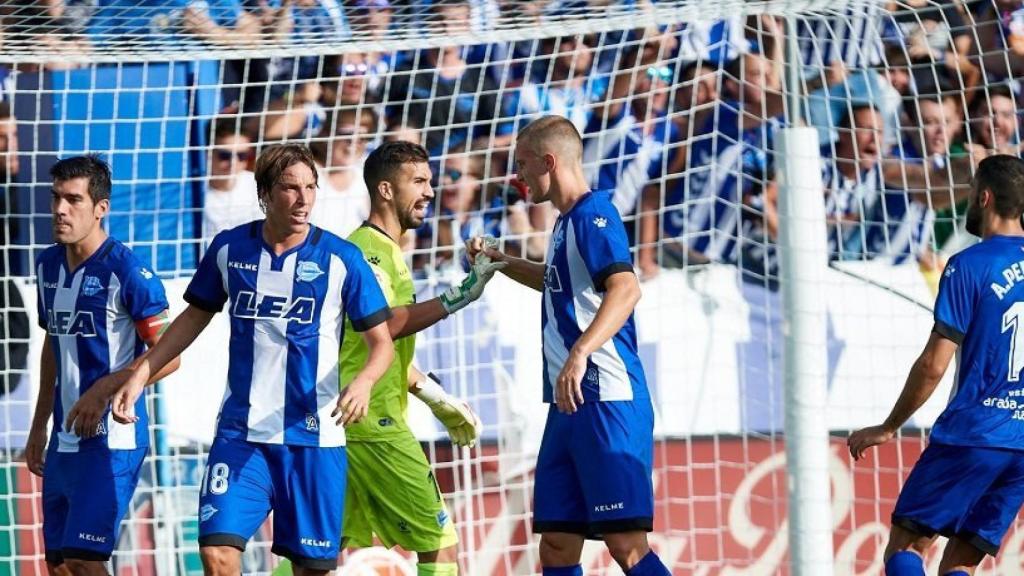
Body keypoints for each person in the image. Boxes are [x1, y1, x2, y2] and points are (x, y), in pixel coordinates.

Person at [94, 144, 395, 575]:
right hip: (241, 436)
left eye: (310, 187)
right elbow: (193, 318)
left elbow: (381, 343)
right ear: (265, 195)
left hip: (312, 441)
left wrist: (364, 381)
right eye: (290, 188)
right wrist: (142, 371)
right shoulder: (230, 249)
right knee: (217, 554)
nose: (303, 199)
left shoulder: (341, 259)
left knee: (313, 569)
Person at [466, 115, 671, 576]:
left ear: (549, 161)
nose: (518, 177)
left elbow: (626, 288)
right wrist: (501, 263)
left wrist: (580, 352)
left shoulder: (595, 216)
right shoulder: (564, 224)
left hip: (607, 398)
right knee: (557, 544)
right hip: (569, 406)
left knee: (626, 544)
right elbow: (558, 282)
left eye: (522, 165)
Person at [849, 154, 1024, 575]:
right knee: (961, 564)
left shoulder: (969, 265)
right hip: (1020, 447)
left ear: (983, 198)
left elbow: (933, 364)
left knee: (905, 548)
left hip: (973, 434)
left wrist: (888, 426)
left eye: (968, 193)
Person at [335, 140, 504, 576]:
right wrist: (461, 294)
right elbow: (385, 325)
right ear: (386, 190)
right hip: (375, 425)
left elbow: (376, 349)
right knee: (441, 549)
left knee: (322, 559)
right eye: (420, 182)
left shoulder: (385, 250)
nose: (430, 192)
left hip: (358, 420)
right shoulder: (369, 252)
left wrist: (435, 397)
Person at [25, 155, 179, 575]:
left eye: (73, 199)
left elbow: (170, 356)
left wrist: (105, 388)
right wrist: (40, 425)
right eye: (56, 197)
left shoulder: (129, 271)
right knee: (58, 565)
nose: (60, 209)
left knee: (84, 560)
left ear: (101, 208)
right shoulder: (47, 265)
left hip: (113, 440)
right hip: (64, 438)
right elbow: (53, 345)